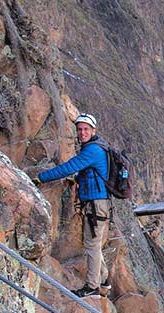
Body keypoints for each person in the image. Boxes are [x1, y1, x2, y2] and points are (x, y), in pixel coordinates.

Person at [33, 113, 112, 297]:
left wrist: (41, 178)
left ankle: (93, 287)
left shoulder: (92, 150)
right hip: (96, 203)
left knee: (92, 244)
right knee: (94, 243)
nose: (82, 132)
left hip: (95, 204)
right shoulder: (96, 147)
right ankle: (105, 280)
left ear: (93, 130)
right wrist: (75, 179)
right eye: (80, 129)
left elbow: (69, 166)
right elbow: (87, 172)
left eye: (86, 129)